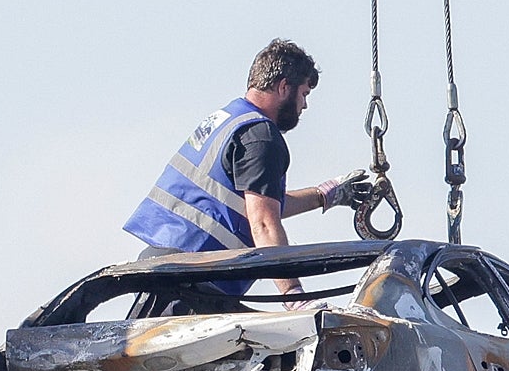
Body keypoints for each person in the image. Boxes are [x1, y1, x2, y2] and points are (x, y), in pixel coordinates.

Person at [124, 40, 367, 254]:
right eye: (304, 94)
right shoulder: (260, 136)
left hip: (165, 260)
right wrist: (293, 294)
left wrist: (323, 195)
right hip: (190, 273)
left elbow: (257, 204)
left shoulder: (229, 120)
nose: (304, 105)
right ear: (284, 87)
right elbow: (263, 223)